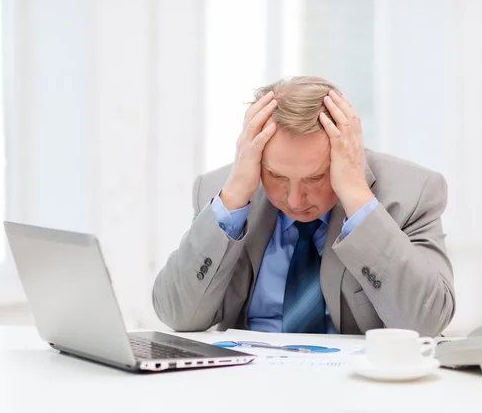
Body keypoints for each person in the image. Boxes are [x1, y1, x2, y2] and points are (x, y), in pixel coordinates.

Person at [152, 76, 455, 336]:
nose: (295, 200)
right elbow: (178, 315)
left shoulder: (413, 192)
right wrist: (232, 199)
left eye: (316, 177)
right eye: (277, 176)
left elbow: (425, 323)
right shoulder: (220, 192)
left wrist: (357, 199)